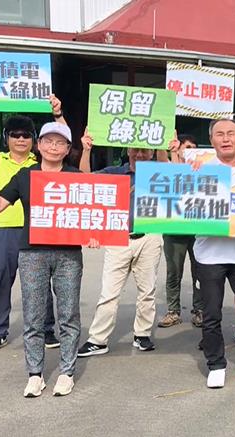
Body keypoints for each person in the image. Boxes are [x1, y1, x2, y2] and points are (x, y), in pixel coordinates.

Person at [0, 122, 97, 397]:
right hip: (32, 253)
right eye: (48, 141)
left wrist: (94, 234)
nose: (53, 147)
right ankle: (35, 374)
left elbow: (93, 207)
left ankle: (67, 372)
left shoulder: (74, 176)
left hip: (68, 254)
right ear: (39, 145)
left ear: (67, 149)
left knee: (68, 314)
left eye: (60, 143)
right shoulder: (26, 175)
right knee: (34, 316)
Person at [171, 118, 235, 389]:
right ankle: (216, 365)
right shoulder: (200, 168)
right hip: (209, 255)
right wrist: (181, 166)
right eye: (219, 134)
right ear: (212, 140)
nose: (226, 138)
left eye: (231, 133)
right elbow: (175, 193)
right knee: (211, 314)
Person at [0, 92, 65, 352]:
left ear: (34, 140)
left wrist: (58, 114)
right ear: (7, 137)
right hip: (3, 231)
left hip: (37, 229)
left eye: (26, 135)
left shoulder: (42, 161)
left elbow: (63, 140)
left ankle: (46, 330)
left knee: (40, 282)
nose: (20, 139)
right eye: (15, 134)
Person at [75, 132, 165, 357]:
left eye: (145, 149)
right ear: (128, 151)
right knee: (109, 292)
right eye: (135, 149)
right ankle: (98, 339)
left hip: (150, 237)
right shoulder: (114, 173)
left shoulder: (160, 173)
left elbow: (173, 170)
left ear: (152, 152)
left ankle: (142, 334)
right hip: (118, 238)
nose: (139, 154)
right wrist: (86, 150)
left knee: (147, 290)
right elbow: (85, 179)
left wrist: (166, 145)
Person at [158, 133, 203, 329]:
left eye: (194, 147)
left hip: (198, 230)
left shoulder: (202, 169)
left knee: (200, 272)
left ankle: (200, 310)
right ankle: (173, 311)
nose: (190, 151)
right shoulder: (168, 166)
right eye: (187, 147)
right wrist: (171, 150)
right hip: (174, 230)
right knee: (174, 272)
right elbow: (167, 164)